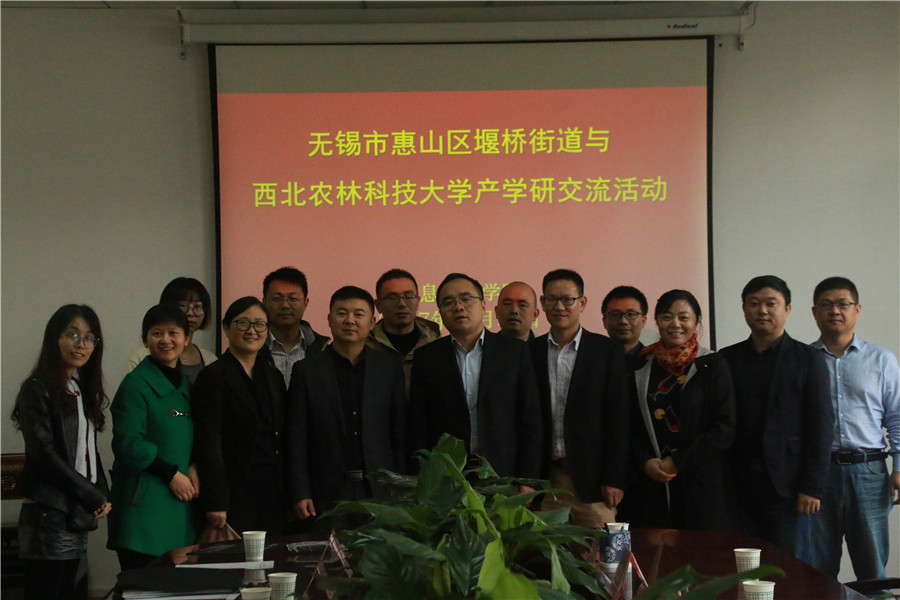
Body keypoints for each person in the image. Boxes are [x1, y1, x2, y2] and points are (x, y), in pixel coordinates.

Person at [720, 275, 832, 561]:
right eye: (754, 303)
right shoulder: (726, 359)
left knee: (789, 567)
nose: (762, 310)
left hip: (788, 487)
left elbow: (820, 427)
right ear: (744, 309)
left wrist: (812, 487)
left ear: (787, 309)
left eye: (771, 303)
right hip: (737, 485)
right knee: (740, 565)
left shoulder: (808, 359)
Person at [11, 305, 112, 600]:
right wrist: (90, 494)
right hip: (49, 512)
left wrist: (102, 492)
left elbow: (87, 449)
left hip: (75, 510)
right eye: (72, 335)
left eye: (89, 338)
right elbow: (43, 453)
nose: (81, 344)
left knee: (69, 591)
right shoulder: (37, 387)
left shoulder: (78, 387)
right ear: (54, 338)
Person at [287, 286, 407, 532]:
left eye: (358, 314)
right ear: (329, 319)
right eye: (342, 313)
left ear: (372, 322)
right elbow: (296, 437)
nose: (350, 320)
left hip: (379, 491)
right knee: (326, 555)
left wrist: (401, 486)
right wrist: (300, 491)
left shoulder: (389, 368)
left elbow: (399, 433)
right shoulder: (307, 371)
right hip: (325, 493)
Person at [618, 290, 736, 532]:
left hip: (701, 482)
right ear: (656, 321)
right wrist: (645, 462)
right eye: (667, 317)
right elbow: (629, 424)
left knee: (699, 551)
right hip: (651, 484)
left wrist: (678, 462)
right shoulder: (641, 364)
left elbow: (724, 428)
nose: (675, 324)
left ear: (696, 322)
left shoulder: (712, 364)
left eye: (684, 317)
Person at [408, 273, 542, 484]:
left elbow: (530, 420)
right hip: (446, 478)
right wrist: (423, 476)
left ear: (483, 305)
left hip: (503, 475)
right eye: (448, 302)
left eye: (466, 299)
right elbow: (418, 424)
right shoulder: (427, 357)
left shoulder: (514, 352)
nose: (458, 307)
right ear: (440, 312)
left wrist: (526, 480)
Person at [807, 277, 900, 580]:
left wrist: (899, 467)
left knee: (873, 571)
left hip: (869, 473)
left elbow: (896, 416)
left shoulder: (881, 360)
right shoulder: (803, 360)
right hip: (819, 475)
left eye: (843, 304)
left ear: (857, 310)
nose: (835, 311)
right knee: (817, 571)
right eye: (826, 305)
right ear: (814, 312)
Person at [529, 269, 629, 528]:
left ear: (582, 303)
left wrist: (614, 477)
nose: (560, 306)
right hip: (545, 481)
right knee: (541, 550)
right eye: (552, 299)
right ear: (543, 303)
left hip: (592, 480)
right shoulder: (530, 352)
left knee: (605, 550)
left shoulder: (606, 351)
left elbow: (619, 418)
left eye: (568, 299)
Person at [108, 304, 199, 570]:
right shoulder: (135, 384)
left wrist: (194, 465)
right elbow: (127, 443)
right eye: (157, 333)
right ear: (145, 339)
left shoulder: (187, 387)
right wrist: (170, 474)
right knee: (143, 585)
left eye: (173, 333)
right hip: (143, 512)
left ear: (187, 338)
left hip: (180, 510)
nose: (165, 340)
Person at [191, 296, 288, 534]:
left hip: (274, 488)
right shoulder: (213, 377)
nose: (252, 331)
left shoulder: (273, 376)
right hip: (234, 489)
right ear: (226, 328)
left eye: (259, 324)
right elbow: (208, 442)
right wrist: (216, 500)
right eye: (243, 323)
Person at [126, 277, 218, 384]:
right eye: (182, 306)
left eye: (198, 306)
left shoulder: (210, 359)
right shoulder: (139, 357)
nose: (190, 313)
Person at [366, 268, 440, 392]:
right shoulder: (365, 346)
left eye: (408, 296)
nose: (401, 304)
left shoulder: (434, 342)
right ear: (378, 305)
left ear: (418, 301)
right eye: (392, 297)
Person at [261, 267, 330, 387]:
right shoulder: (253, 348)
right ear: (264, 302)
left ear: (305, 302)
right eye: (277, 299)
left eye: (293, 299)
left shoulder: (322, 351)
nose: (285, 305)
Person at [601, 285, 649, 361]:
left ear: (643, 321)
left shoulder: (656, 361)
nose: (623, 321)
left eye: (631, 314)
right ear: (604, 321)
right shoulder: (591, 359)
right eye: (615, 314)